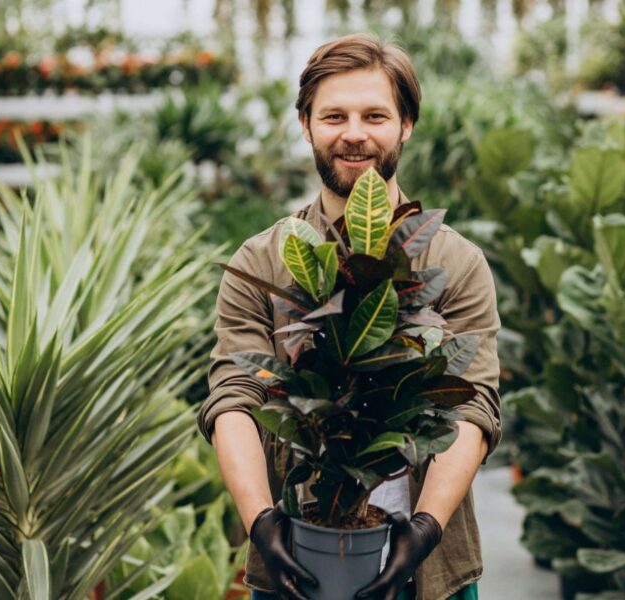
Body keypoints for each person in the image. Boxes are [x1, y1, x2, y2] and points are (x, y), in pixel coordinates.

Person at [198, 32, 501, 600]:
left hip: (429, 571)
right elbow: (235, 393)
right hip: (298, 559)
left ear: (406, 125)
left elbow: (472, 402)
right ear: (306, 124)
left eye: (375, 115)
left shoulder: (454, 262)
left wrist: (426, 529)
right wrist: (262, 521)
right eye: (334, 115)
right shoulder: (263, 261)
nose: (354, 133)